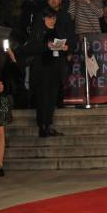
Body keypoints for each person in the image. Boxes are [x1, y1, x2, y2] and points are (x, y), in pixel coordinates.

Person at [11, 8, 69, 137]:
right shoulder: (38, 30)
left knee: (52, 98)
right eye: (50, 18)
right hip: (41, 69)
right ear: (44, 18)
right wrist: (45, 46)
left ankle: (48, 125)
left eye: (54, 18)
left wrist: (64, 48)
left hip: (54, 68)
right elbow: (30, 47)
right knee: (43, 98)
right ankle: (42, 126)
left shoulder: (57, 30)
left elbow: (64, 44)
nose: (52, 20)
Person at [0, 33, 13, 177]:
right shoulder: (2, 56)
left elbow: (13, 75)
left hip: (0, 96)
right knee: (0, 132)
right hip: (2, 96)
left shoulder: (3, 56)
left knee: (0, 132)